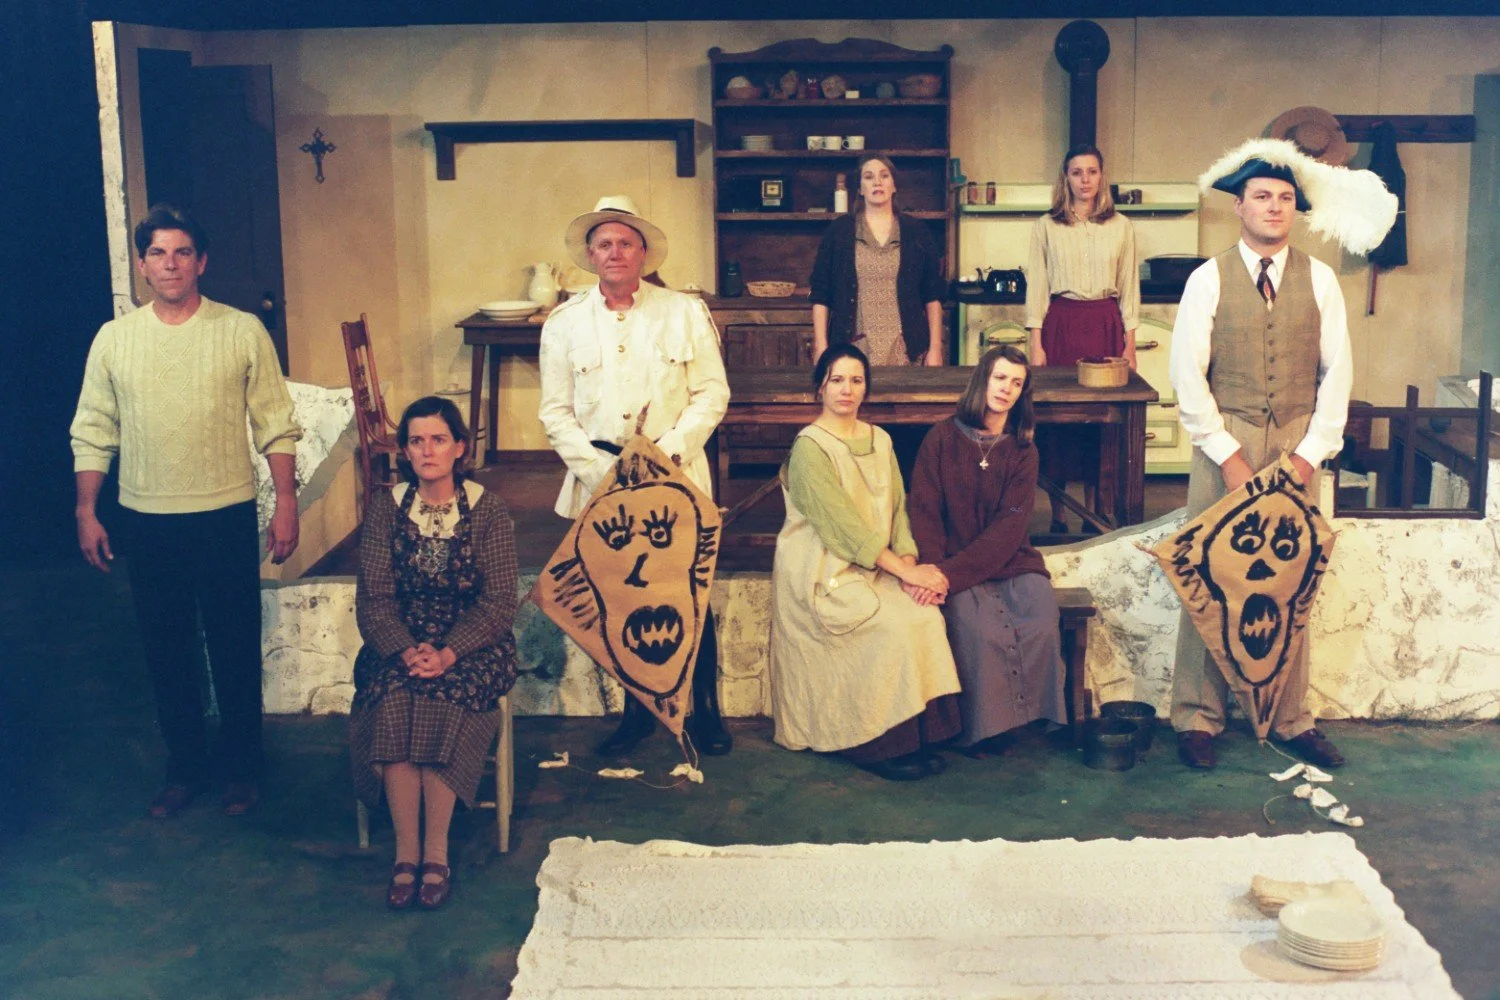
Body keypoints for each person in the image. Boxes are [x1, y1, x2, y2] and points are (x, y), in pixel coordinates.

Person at [71, 204, 301, 819]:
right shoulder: (115, 339)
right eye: (157, 253)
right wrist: (86, 509)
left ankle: (243, 769)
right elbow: (94, 428)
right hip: (146, 518)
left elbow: (275, 424)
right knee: (166, 648)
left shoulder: (241, 330)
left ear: (201, 262)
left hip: (224, 513)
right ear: (142, 266)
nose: (169, 264)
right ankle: (185, 768)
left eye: (181, 252)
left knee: (232, 645)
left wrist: (286, 503)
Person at [1167, 139, 1367, 772]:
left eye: (1285, 199)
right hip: (1225, 442)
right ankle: (1198, 717)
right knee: (1210, 576)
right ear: (1240, 205)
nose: (1274, 207)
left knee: (1291, 580)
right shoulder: (1208, 278)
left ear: (1295, 211)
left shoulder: (1322, 280)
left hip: (1296, 450)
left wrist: (1310, 454)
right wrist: (1225, 451)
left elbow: (1338, 374)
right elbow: (1186, 375)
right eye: (1262, 197)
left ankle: (1291, 719)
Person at [538, 195, 732, 757]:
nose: (615, 252)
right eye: (605, 243)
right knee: (617, 601)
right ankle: (637, 714)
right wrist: (606, 471)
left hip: (676, 476)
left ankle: (707, 712)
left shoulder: (683, 311)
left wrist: (664, 455)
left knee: (689, 595)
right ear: (590, 256)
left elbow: (712, 392)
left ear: (643, 252)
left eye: (625, 242)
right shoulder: (565, 323)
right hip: (599, 481)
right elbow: (555, 412)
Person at [351, 396, 517, 910]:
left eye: (439, 439)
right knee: (396, 696)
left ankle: (437, 853)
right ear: (405, 450)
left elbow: (499, 603)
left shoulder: (489, 510)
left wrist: (448, 653)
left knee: (444, 697)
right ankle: (406, 854)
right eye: (417, 440)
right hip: (397, 641)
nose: (428, 450)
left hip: (474, 644)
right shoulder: (384, 509)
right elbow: (373, 598)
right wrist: (404, 651)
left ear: (460, 448)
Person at [769, 344, 962, 781]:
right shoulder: (810, 448)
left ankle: (918, 736)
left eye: (856, 380)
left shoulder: (881, 439)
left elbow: (898, 510)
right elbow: (842, 529)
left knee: (924, 617)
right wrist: (906, 571)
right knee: (888, 627)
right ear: (820, 387)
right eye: (837, 380)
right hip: (825, 573)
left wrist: (910, 566)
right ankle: (872, 744)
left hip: (881, 566)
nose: (847, 389)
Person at [908, 345, 1066, 753]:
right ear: (983, 379)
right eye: (1000, 378)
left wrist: (949, 576)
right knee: (976, 630)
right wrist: (936, 572)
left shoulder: (1023, 450)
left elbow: (1010, 526)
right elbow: (924, 512)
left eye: (1016, 383)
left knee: (1041, 620)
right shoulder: (941, 438)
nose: (1006, 389)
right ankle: (985, 727)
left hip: (1011, 562)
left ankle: (1030, 718)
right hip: (950, 565)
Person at [1025, 144, 1140, 534]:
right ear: (1066, 179)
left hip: (1105, 325)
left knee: (1101, 425)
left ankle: (1095, 514)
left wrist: (1129, 343)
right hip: (1062, 323)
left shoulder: (1121, 226)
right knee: (1058, 423)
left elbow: (1128, 286)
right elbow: (1038, 286)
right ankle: (1058, 516)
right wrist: (1035, 341)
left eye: (1092, 172)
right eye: (1077, 172)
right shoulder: (1046, 225)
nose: (1085, 179)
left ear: (1101, 177)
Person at [809, 154, 946, 367]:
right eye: (868, 177)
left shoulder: (916, 231)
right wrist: (821, 347)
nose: (877, 182)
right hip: (853, 346)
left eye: (884, 176)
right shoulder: (839, 231)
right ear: (860, 189)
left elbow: (932, 295)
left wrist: (936, 348)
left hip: (905, 348)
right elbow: (821, 294)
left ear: (894, 186)